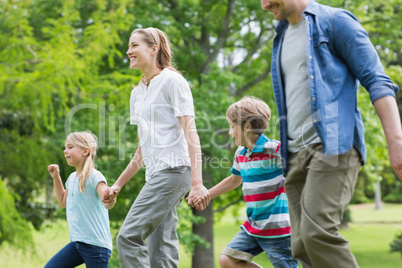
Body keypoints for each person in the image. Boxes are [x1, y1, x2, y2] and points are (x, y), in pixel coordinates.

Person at [260, 0, 402, 267]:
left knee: (317, 233)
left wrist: (396, 142)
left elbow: (377, 79)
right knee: (302, 243)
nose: (264, 4)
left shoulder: (336, 22)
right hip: (294, 153)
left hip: (333, 145)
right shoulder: (281, 35)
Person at [102, 27, 210, 267]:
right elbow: (142, 150)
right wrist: (118, 184)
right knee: (160, 252)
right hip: (155, 176)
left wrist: (197, 182)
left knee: (128, 237)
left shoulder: (173, 81)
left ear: (154, 49)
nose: (128, 51)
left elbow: (191, 133)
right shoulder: (137, 93)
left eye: (134, 45)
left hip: (174, 171)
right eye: (129, 46)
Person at [193, 96, 298, 268]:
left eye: (232, 126)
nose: (229, 132)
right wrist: (207, 195)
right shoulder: (241, 153)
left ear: (248, 127)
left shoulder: (276, 150)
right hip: (254, 225)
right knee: (227, 259)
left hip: (278, 228)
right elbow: (234, 180)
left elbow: (300, 170)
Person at [45, 131, 115, 268]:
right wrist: (56, 178)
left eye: (70, 147)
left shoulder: (94, 176)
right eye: (65, 147)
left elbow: (106, 201)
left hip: (96, 246)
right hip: (77, 243)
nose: (65, 151)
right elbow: (63, 201)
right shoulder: (72, 178)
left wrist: (110, 197)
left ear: (85, 151)